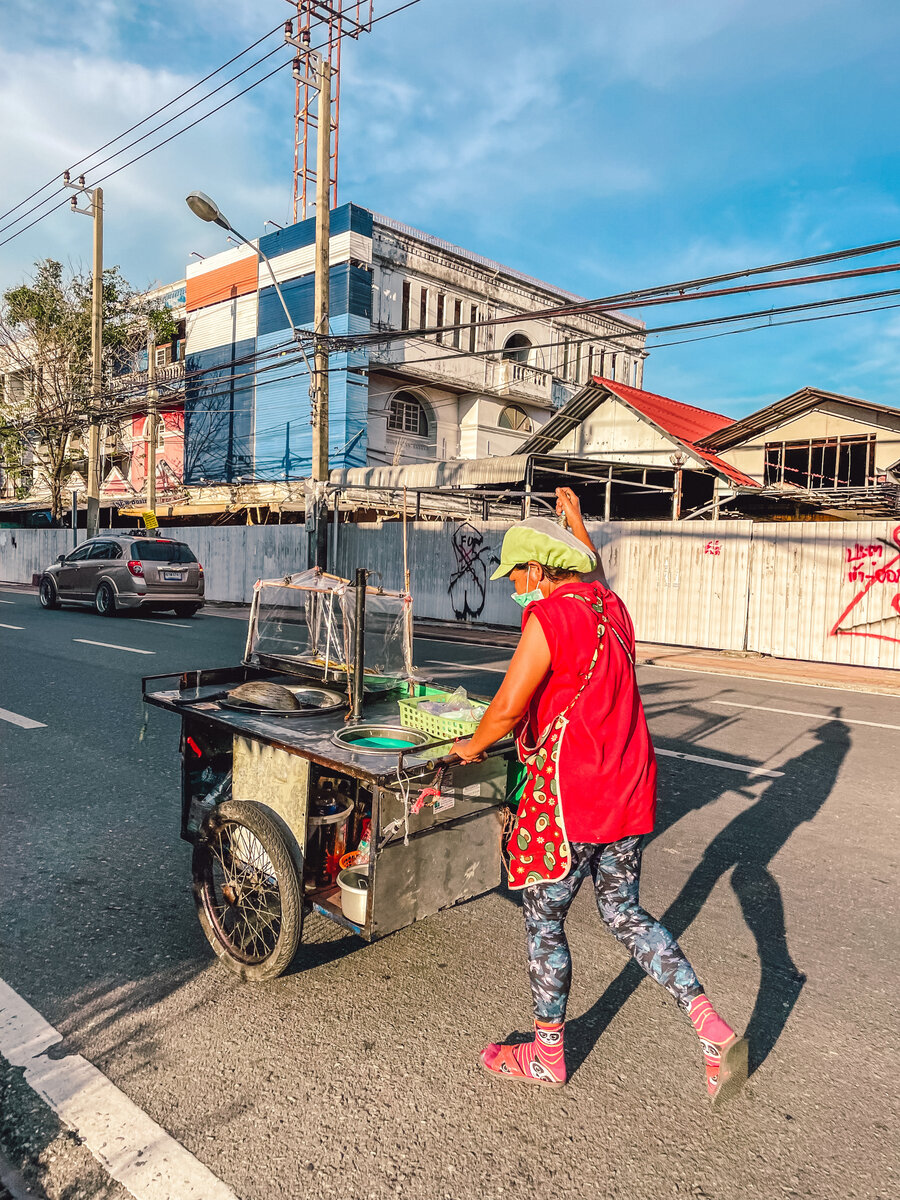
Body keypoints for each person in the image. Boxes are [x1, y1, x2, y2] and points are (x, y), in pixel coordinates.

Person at [452, 487, 747, 1103]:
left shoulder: (550, 617)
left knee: (544, 919)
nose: (516, 588)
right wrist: (579, 526)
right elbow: (594, 571)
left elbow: (507, 707)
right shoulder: (611, 607)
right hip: (629, 788)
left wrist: (469, 749)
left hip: (572, 799)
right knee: (623, 913)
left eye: (518, 575)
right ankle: (709, 1023)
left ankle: (547, 1055)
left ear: (538, 569)